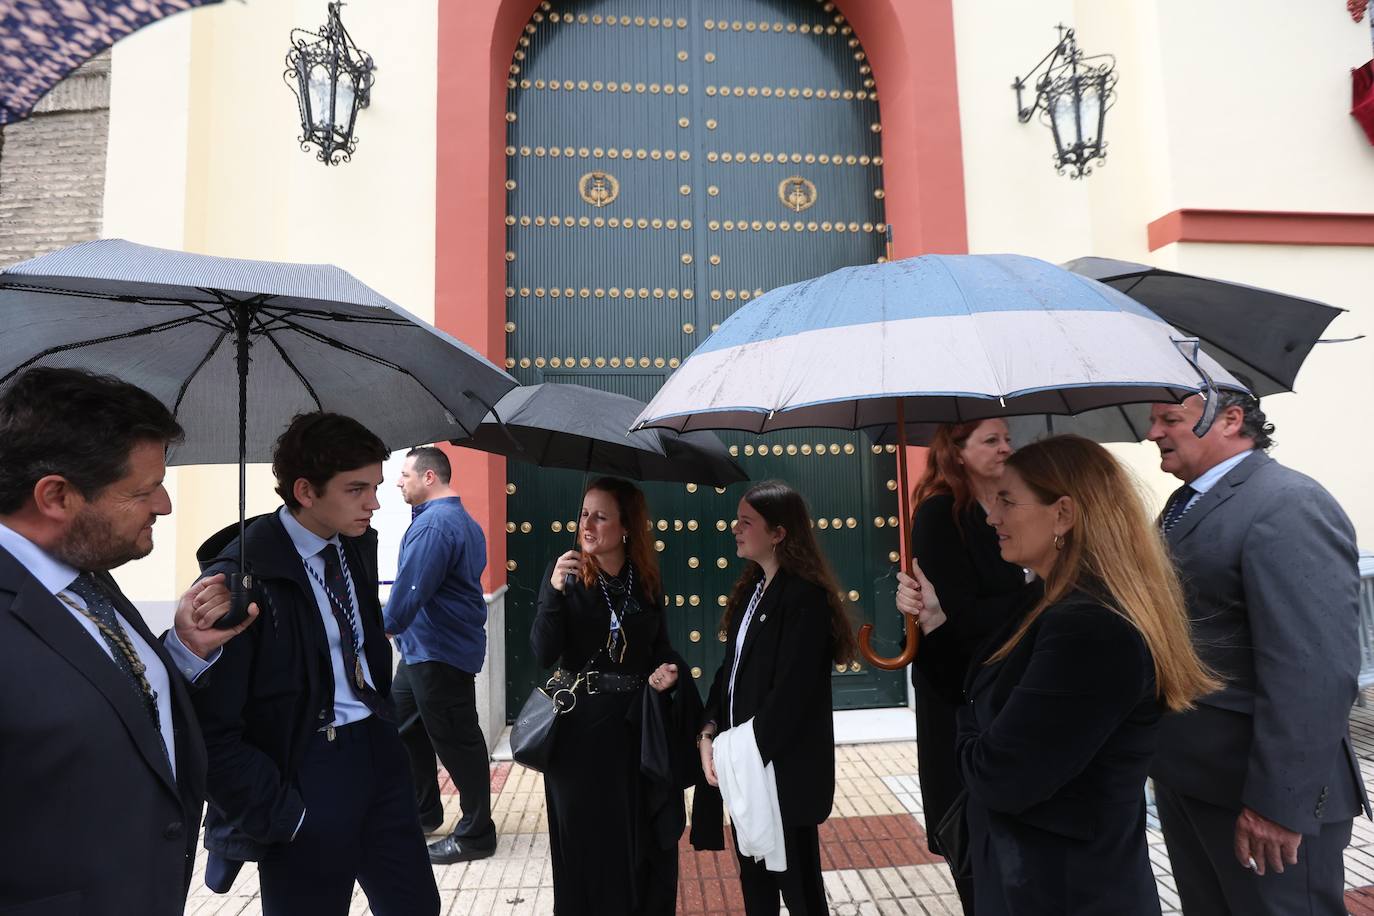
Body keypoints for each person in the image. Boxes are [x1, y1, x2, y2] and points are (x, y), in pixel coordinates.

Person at [903, 435, 1221, 915]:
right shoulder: (1046, 600)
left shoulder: (1091, 627)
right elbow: (980, 685)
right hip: (1037, 880)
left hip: (1067, 889)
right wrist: (935, 624)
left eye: (1007, 501)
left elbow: (999, 775)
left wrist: (969, 736)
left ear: (1064, 514)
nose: (993, 517)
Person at [0, 366, 255, 916]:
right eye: (143, 490)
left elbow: (103, 701)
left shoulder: (84, 570)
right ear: (56, 496)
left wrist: (181, 651)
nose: (164, 505)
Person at [192, 412, 440, 916]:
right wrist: (281, 813)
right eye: (356, 489)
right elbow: (212, 730)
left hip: (378, 751)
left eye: (374, 486)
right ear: (305, 491)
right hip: (306, 771)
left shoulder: (354, 543)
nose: (374, 502)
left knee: (416, 906)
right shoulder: (241, 580)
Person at [1146, 391, 1368, 915]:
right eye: (1153, 420)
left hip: (1261, 799)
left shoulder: (1288, 502)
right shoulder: (1184, 503)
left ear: (1231, 419)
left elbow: (1313, 671)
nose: (1152, 432)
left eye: (1169, 419)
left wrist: (1278, 805)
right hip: (1196, 781)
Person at [897, 419, 1040, 914]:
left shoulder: (1013, 504)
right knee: (972, 835)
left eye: (1007, 437)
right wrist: (1035, 599)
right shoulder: (941, 515)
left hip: (1010, 685)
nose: (1006, 447)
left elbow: (970, 612)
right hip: (957, 690)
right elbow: (953, 618)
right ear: (957, 453)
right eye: (991, 440)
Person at [697, 480, 858, 916]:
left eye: (746, 522)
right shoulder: (752, 591)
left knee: (802, 895)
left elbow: (790, 697)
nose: (735, 529)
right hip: (746, 772)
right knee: (757, 894)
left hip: (781, 777)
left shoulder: (806, 599)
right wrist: (709, 730)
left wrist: (735, 750)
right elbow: (727, 673)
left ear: (779, 533)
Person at [531, 477, 690, 916]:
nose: (587, 524)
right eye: (584, 513)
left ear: (626, 527)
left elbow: (661, 648)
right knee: (586, 847)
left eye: (600, 516)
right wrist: (553, 593)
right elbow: (544, 652)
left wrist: (668, 673)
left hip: (634, 732)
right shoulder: (564, 574)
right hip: (578, 736)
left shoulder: (646, 581)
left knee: (638, 842)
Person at [385, 445, 497, 863]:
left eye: (405, 474)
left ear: (429, 477)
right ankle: (424, 809)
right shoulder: (456, 520)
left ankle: (476, 834)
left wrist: (381, 625)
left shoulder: (436, 525)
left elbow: (412, 589)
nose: (399, 481)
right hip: (422, 650)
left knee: (458, 741)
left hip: (439, 652)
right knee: (402, 726)